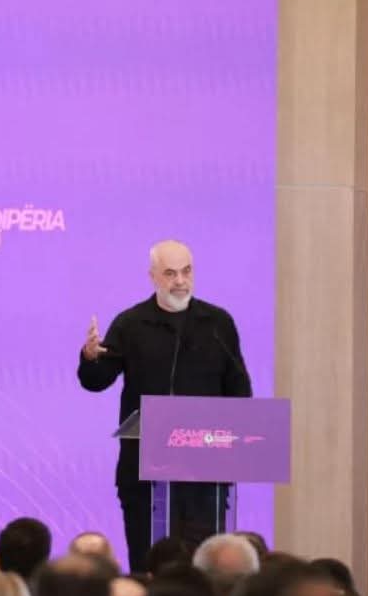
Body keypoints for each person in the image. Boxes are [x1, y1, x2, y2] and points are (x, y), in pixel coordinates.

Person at [77, 239, 252, 573]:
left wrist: (236, 436)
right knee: (148, 568)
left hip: (205, 477)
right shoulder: (131, 323)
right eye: (170, 273)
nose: (180, 281)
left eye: (187, 271)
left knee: (205, 573)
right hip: (144, 475)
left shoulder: (217, 323)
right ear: (153, 277)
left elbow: (239, 390)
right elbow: (96, 380)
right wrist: (89, 356)